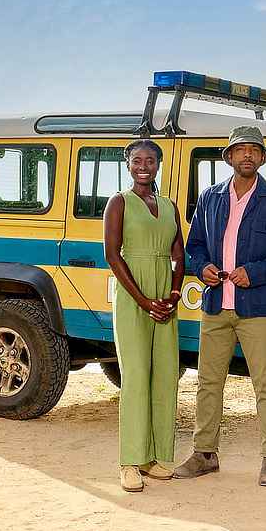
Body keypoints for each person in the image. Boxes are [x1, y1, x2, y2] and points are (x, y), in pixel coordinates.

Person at [173, 125, 266, 487]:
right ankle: (204, 454)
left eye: (254, 150)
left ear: (262, 158)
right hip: (215, 306)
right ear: (228, 157)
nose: (247, 155)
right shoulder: (210, 198)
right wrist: (203, 268)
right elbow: (193, 246)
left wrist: (255, 273)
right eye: (240, 150)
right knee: (208, 382)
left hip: (257, 307)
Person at [103, 139, 185, 492]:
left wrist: (173, 294)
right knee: (135, 376)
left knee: (164, 376)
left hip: (164, 299)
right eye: (137, 160)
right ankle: (129, 462)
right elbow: (111, 254)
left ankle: (153, 457)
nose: (143, 166)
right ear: (128, 165)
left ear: (158, 165)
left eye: (150, 160)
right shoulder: (118, 203)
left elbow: (179, 255)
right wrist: (142, 300)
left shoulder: (169, 206)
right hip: (133, 296)